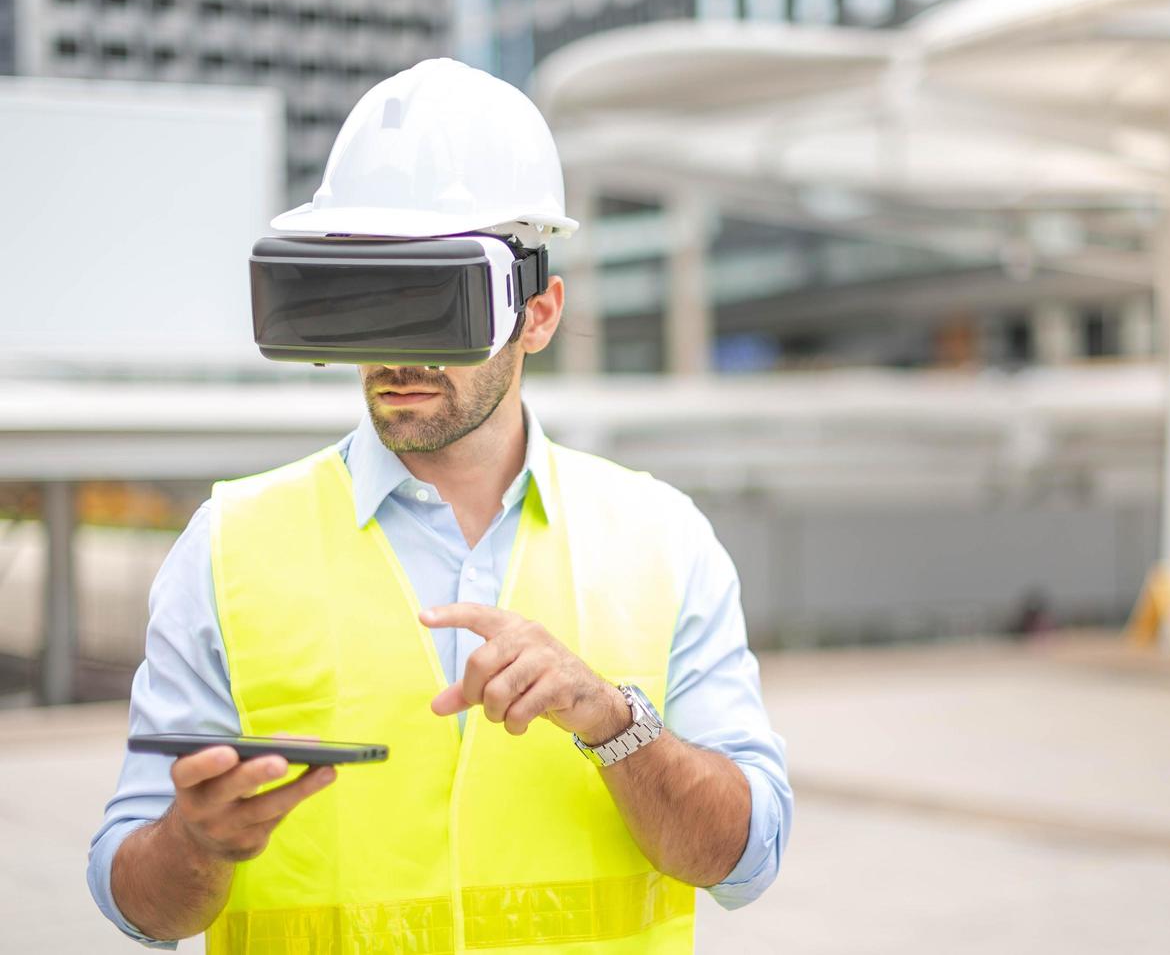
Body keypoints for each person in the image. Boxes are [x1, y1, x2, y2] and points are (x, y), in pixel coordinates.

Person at [86, 59, 791, 954]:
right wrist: (195, 843)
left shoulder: (662, 538)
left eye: (434, 297)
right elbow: (137, 899)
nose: (396, 349)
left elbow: (746, 857)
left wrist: (616, 723)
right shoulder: (228, 544)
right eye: (366, 294)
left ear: (536, 314)